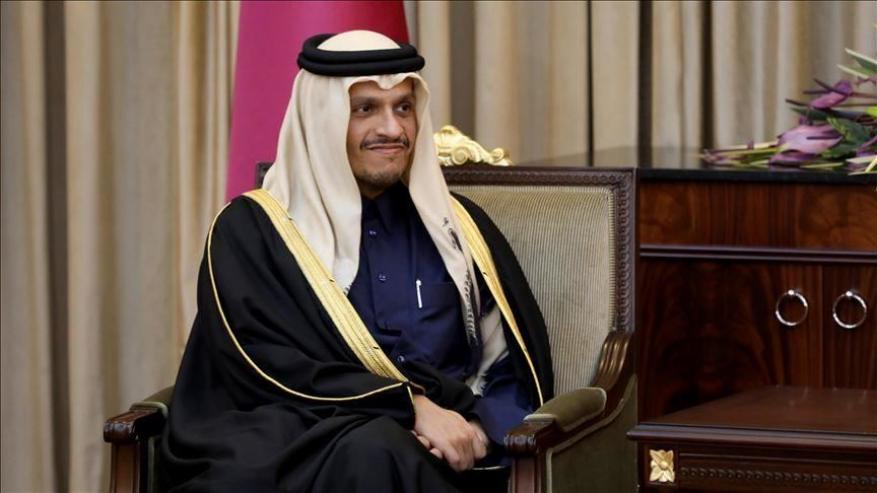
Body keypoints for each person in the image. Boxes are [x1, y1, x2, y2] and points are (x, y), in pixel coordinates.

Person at [161, 30, 553, 493]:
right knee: (372, 451)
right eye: (365, 109)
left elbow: (512, 367)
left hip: (437, 461)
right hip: (287, 440)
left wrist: (479, 434)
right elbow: (265, 368)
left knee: (378, 451)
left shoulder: (458, 231)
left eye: (403, 108)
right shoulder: (251, 231)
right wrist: (409, 408)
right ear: (321, 119)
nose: (392, 130)